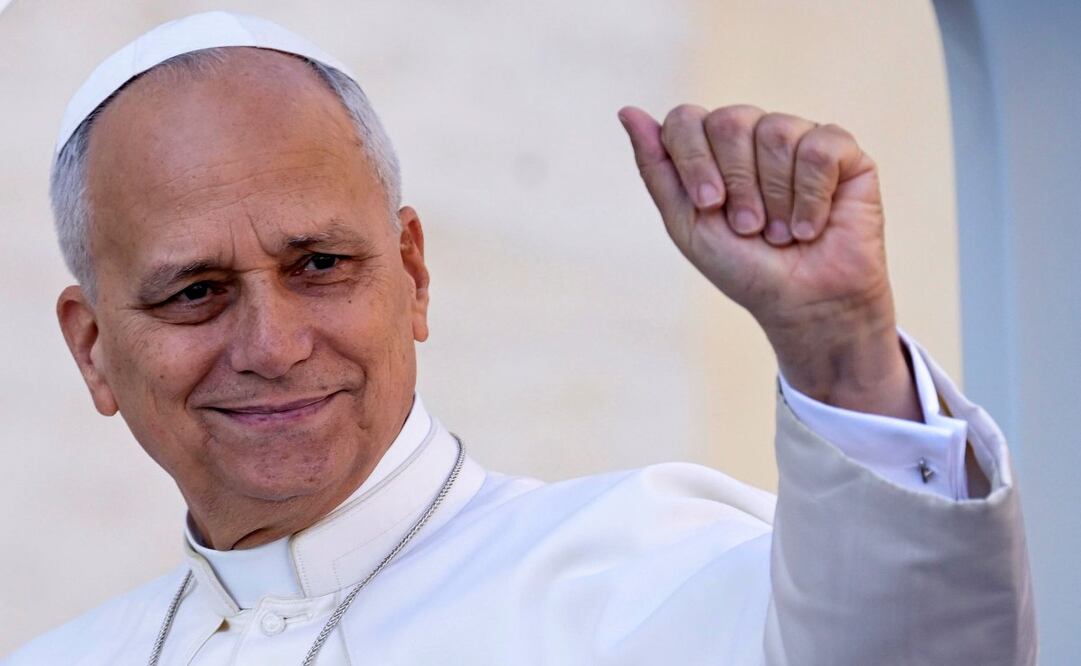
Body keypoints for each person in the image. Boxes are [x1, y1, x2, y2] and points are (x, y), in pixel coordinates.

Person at [4, 10, 1034, 666]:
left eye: (320, 265)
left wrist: (842, 352)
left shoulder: (645, 574)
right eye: (195, 292)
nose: (271, 343)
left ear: (412, 274)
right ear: (93, 347)